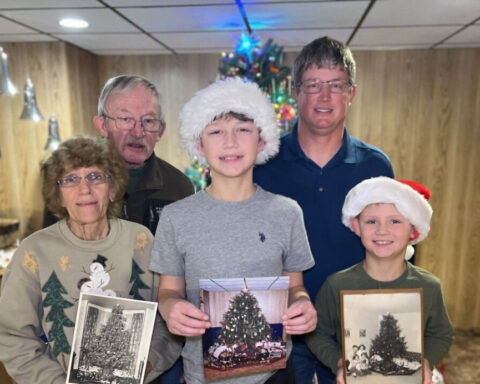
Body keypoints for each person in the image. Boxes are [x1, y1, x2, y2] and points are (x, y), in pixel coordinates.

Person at [149, 77, 317, 384]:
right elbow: (168, 291)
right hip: (203, 375)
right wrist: (171, 307)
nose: (230, 142)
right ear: (200, 145)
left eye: (242, 129)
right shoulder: (176, 217)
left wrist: (302, 302)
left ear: (261, 140)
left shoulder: (287, 212)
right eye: (216, 131)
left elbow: (295, 286)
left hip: (275, 374)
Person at [253, 36, 394, 383]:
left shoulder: (375, 166)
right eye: (314, 85)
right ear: (296, 92)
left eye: (336, 85)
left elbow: (391, 246)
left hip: (353, 330)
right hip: (281, 330)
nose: (325, 97)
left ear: (352, 94)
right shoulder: (263, 162)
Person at [0, 136, 181, 384]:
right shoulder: (33, 252)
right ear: (58, 194)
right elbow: (12, 336)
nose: (84, 189)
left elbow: (168, 317)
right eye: (71, 179)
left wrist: (147, 363)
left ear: (114, 188)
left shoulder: (141, 240)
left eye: (95, 176)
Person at [306, 176, 453, 384]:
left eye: (395, 221)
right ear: (357, 226)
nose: (382, 230)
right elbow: (317, 333)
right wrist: (339, 363)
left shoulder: (429, 286)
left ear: (413, 229)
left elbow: (441, 333)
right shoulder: (336, 285)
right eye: (372, 221)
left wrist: (426, 362)